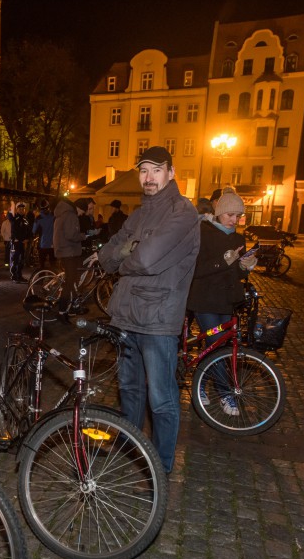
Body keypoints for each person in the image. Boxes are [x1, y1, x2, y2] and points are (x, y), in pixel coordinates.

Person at [97, 146, 200, 475]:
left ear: (171, 172)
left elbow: (145, 258)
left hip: (157, 319)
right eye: (143, 170)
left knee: (162, 399)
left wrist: (124, 258)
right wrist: (124, 253)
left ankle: (161, 468)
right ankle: (131, 454)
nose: (149, 177)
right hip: (127, 315)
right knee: (129, 390)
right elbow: (106, 253)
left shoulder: (182, 211)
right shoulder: (140, 213)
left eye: (156, 170)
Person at [186, 192, 258, 415]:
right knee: (216, 344)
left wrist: (245, 267)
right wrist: (223, 261)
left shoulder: (237, 238)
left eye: (238, 216)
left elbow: (235, 273)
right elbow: (195, 270)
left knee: (216, 346)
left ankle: (201, 384)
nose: (234, 220)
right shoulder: (202, 233)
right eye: (230, 214)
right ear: (218, 213)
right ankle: (225, 393)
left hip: (227, 301)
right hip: (204, 300)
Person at [53, 197, 90, 314]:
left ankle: (73, 306)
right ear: (78, 208)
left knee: (72, 280)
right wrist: (83, 236)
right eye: (81, 212)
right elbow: (71, 235)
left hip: (64, 251)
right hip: (68, 252)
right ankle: (62, 310)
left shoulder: (63, 213)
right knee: (70, 281)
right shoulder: (71, 214)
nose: (80, 215)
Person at [7, 202, 32, 282]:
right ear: (17, 210)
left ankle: (19, 275)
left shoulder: (25, 219)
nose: (21, 210)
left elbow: (28, 230)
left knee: (21, 260)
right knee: (15, 260)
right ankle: (14, 276)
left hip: (22, 243)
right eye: (20, 209)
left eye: (23, 209)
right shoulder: (15, 218)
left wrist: (28, 238)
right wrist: (10, 210)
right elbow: (14, 229)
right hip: (16, 242)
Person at [32, 199, 55, 269]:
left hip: (42, 244)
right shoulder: (53, 217)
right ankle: (53, 278)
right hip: (52, 244)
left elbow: (33, 231)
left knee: (42, 264)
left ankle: (41, 278)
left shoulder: (38, 218)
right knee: (53, 264)